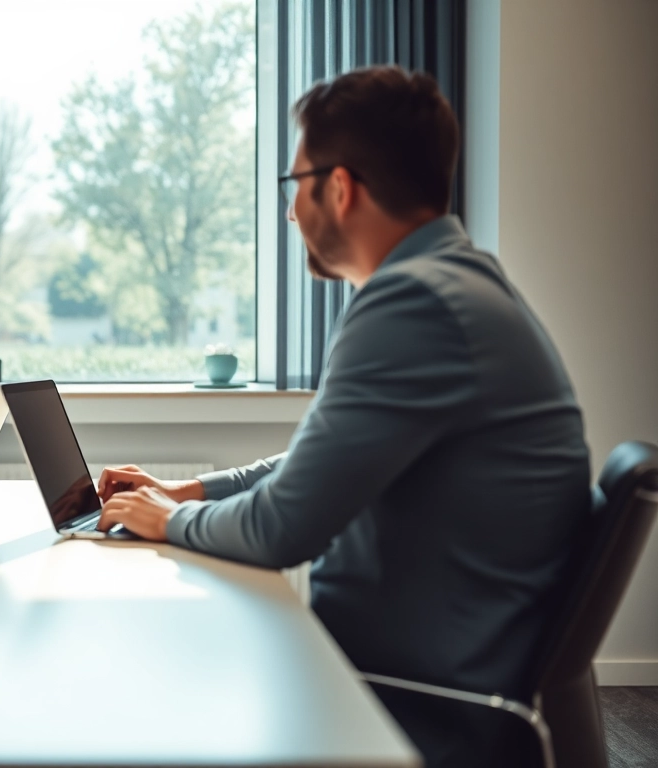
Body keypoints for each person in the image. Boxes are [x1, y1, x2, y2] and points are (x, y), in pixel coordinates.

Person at [95, 66, 591, 767]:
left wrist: (166, 523)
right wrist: (189, 493)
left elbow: (280, 528)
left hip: (400, 703)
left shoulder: (415, 305)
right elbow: (313, 465)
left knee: (132, 692)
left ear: (338, 187)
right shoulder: (458, 283)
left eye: (294, 186)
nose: (292, 211)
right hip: (410, 672)